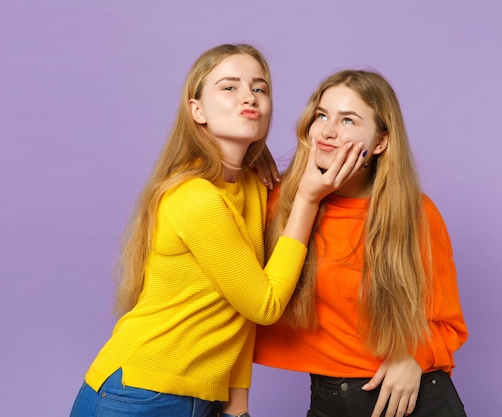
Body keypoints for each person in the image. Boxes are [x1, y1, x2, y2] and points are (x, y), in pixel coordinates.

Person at [69, 44, 367, 417]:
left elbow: (235, 316)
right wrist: (307, 200)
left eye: (260, 88)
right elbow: (263, 304)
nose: (249, 96)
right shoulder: (195, 198)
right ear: (197, 110)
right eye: (229, 87)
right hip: (136, 395)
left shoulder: (252, 187)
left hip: (201, 399)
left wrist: (236, 405)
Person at [254, 70, 469, 417]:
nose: (327, 131)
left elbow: (449, 324)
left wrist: (415, 358)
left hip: (410, 400)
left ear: (381, 142)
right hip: (327, 398)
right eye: (321, 116)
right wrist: (254, 152)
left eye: (348, 120)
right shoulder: (281, 204)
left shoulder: (416, 213)